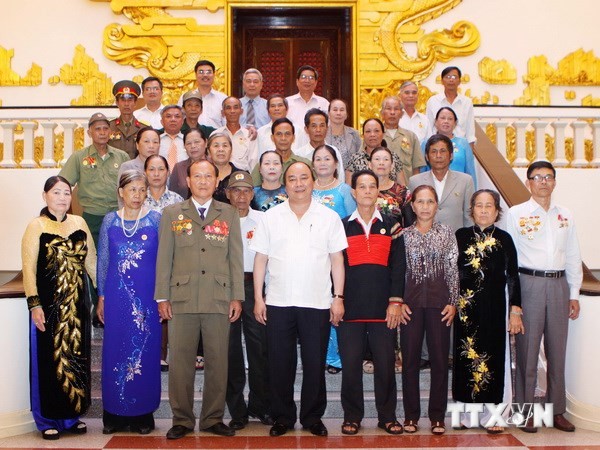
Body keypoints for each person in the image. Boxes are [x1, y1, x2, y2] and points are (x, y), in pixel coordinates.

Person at [251, 162, 347, 438]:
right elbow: (260, 259)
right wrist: (259, 297)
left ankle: (312, 417)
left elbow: (337, 260)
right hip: (279, 301)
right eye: (292, 179)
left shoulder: (329, 217)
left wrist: (337, 297)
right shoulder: (270, 217)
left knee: (315, 362)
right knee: (280, 363)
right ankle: (282, 416)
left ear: (313, 181)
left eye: (304, 177)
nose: (298, 183)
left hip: (317, 301)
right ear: (285, 183)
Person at [155, 159, 244, 439]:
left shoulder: (228, 214)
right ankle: (181, 419)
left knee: (218, 362)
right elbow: (164, 258)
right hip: (182, 299)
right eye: (198, 176)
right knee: (180, 362)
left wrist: (237, 297)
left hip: (219, 297)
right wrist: (162, 297)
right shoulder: (172, 213)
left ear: (217, 182)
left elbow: (235, 258)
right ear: (188, 181)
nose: (203, 181)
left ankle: (212, 418)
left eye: (209, 176)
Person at [506, 160, 582, 433]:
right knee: (527, 352)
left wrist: (574, 293)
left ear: (554, 182)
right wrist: (514, 300)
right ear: (528, 182)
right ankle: (523, 412)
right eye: (537, 177)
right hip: (529, 284)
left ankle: (556, 411)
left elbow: (573, 255)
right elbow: (510, 257)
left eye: (548, 177)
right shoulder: (516, 214)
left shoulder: (565, 215)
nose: (543, 182)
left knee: (557, 352)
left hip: (559, 284)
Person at [22, 176, 96, 441]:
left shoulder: (80, 223)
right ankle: (47, 419)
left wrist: (104, 295)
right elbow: (29, 270)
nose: (63, 197)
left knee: (75, 360)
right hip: (48, 308)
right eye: (56, 192)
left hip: (76, 308)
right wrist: (34, 305)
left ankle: (70, 416)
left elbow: (93, 263)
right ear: (45, 196)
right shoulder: (36, 226)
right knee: (49, 361)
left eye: (66, 193)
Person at [338, 169, 404, 436]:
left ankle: (387, 416)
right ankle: (352, 416)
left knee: (386, 364)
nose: (366, 191)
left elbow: (399, 266)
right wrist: (337, 299)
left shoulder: (393, 225)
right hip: (350, 308)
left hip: (383, 308)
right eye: (361, 186)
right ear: (353, 192)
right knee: (351, 365)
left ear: (379, 191)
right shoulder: (342, 226)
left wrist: (395, 301)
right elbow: (335, 267)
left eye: (371, 186)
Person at [96, 170, 162, 434]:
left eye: (142, 189)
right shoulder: (110, 220)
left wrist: (162, 296)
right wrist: (101, 296)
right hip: (116, 297)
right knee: (115, 350)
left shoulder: (156, 220)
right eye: (132, 189)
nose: (137, 195)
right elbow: (103, 260)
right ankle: (113, 414)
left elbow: (163, 261)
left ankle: (143, 414)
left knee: (146, 351)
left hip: (147, 299)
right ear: (121, 192)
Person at [453, 189, 523, 434]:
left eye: (489, 206)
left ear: (497, 211)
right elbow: (451, 275)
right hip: (466, 309)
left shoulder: (504, 239)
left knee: (494, 358)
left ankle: (493, 416)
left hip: (495, 307)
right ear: (471, 210)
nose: (483, 210)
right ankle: (465, 415)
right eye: (479, 205)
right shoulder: (460, 236)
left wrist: (515, 310)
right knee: (465, 357)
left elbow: (513, 276)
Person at [398, 184, 458, 436]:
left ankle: (437, 417)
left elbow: (453, 268)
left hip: (439, 306)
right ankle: (411, 416)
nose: (424, 207)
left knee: (440, 362)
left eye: (429, 202)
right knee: (410, 361)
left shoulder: (447, 234)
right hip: (409, 308)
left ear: (436, 205)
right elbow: (398, 273)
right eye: (420, 202)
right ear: (412, 206)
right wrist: (397, 302)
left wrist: (453, 302)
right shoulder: (403, 236)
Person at [225, 171, 273, 430]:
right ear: (228, 194)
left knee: (260, 349)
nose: (241, 196)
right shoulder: (219, 220)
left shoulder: (264, 220)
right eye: (236, 191)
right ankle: (237, 410)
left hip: (255, 288)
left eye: (246, 191)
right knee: (230, 352)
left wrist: (262, 294)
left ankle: (260, 405)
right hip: (226, 290)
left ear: (253, 194)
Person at [311, 144, 356, 374]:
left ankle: (335, 356)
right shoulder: (306, 189)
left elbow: (352, 223)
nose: (322, 163)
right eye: (318, 159)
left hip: (339, 256)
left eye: (327, 158)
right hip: (312, 258)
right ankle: (318, 353)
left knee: (335, 304)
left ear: (336, 163)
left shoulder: (345, 190)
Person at [59, 112, 130, 246]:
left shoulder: (122, 157)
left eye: (105, 128)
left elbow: (132, 185)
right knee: (92, 257)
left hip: (118, 214)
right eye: (97, 129)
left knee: (118, 254)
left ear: (110, 131)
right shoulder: (79, 157)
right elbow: (62, 184)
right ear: (89, 132)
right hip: (92, 217)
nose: (102, 132)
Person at [143, 155, 184, 373]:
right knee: (150, 306)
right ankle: (150, 352)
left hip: (172, 260)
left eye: (161, 169)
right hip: (146, 259)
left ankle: (166, 353)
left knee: (168, 305)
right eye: (152, 169)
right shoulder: (139, 198)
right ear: (145, 172)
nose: (157, 174)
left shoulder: (177, 200)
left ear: (168, 172)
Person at [408, 134, 474, 233]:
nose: (438, 156)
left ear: (451, 155)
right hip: (423, 241)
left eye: (443, 151)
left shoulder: (465, 181)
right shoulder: (415, 181)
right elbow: (410, 216)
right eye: (434, 152)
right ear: (427, 156)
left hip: (456, 241)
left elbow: (469, 216)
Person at [423, 106, 477, 188]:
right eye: (442, 118)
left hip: (459, 190)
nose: (446, 121)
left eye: (450, 119)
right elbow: (421, 171)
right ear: (435, 122)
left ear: (455, 123)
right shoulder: (426, 143)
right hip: (432, 190)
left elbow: (470, 172)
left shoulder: (463, 143)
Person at [251, 118, 312, 186]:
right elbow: (252, 190)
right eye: (279, 134)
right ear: (272, 138)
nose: (283, 138)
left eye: (287, 134)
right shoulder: (263, 166)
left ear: (293, 138)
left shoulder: (305, 164)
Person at [426, 66, 476, 149]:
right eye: (447, 77)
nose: (451, 80)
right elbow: (428, 128)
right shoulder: (433, 101)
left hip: (460, 147)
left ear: (459, 81)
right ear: (442, 81)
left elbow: (470, 131)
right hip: (438, 147)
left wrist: (469, 152)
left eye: (454, 77)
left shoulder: (467, 102)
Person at [345, 118, 406, 186]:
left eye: (376, 131)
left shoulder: (393, 157)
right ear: (363, 135)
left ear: (383, 134)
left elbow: (402, 186)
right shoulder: (354, 159)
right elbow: (349, 189)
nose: (372, 135)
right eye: (368, 131)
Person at [380, 96, 425, 183]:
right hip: (380, 190)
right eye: (389, 109)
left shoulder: (411, 136)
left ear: (401, 114)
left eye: (396, 109)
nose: (392, 112)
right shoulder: (374, 136)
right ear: (382, 113)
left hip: (405, 189)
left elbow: (416, 168)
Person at [369, 146, 413, 228]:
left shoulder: (402, 191)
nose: (381, 163)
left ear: (392, 165)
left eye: (386, 159)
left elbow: (409, 223)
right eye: (377, 159)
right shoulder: (364, 191)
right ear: (370, 165)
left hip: (396, 238)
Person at [286, 65, 330, 146]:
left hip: (318, 150)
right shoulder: (287, 103)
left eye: (311, 78)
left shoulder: (324, 103)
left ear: (316, 82)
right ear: (297, 81)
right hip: (293, 150)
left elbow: (329, 128)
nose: (307, 80)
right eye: (303, 77)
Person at [117, 126, 160, 206]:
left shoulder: (163, 167)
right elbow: (121, 199)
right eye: (146, 141)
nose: (151, 146)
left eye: (155, 142)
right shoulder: (127, 167)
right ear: (137, 145)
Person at [296, 109, 344, 179]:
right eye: (314, 126)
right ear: (306, 129)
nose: (318, 130)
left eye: (322, 125)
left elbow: (341, 177)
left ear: (327, 128)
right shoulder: (299, 154)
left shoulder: (334, 151)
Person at [214, 96, 258, 172]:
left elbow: (253, 162)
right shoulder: (216, 135)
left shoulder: (249, 135)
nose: (232, 111)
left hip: (243, 179)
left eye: (236, 107)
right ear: (223, 112)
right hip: (220, 178)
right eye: (228, 108)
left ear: (241, 111)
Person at [179, 59, 226, 128]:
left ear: (213, 75)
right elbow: (180, 120)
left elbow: (227, 123)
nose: (205, 75)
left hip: (216, 137)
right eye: (201, 72)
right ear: (195, 75)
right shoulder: (185, 97)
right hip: (190, 137)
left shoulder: (222, 98)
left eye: (208, 72)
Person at [109, 80, 144, 159]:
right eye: (123, 100)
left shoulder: (144, 128)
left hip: (137, 170)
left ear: (135, 103)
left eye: (130, 100)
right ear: (117, 103)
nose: (126, 104)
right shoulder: (109, 126)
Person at [169, 128, 207, 199]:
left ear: (206, 143)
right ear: (184, 146)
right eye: (188, 143)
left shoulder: (214, 165)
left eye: (197, 142)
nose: (193, 146)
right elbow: (172, 195)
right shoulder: (179, 167)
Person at [205, 132, 243, 203]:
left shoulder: (241, 175)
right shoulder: (201, 176)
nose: (221, 149)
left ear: (231, 150)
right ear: (209, 151)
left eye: (225, 146)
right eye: (216, 146)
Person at [325, 98, 361, 169]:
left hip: (350, 176)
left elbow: (359, 156)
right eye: (335, 110)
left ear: (346, 115)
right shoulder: (322, 133)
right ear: (329, 114)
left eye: (342, 110)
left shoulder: (354, 134)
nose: (338, 113)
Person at [159, 105, 186, 169]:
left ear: (182, 122)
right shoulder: (156, 141)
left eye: (177, 116)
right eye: (168, 116)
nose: (173, 119)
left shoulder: (188, 141)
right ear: (162, 122)